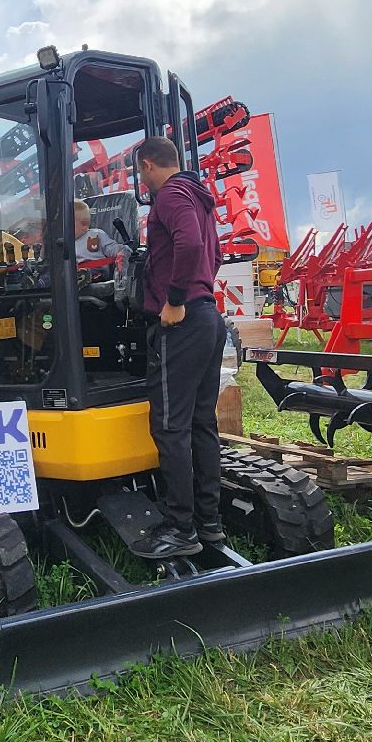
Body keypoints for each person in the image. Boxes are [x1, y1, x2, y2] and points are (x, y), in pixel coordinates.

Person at [127, 135, 225, 560]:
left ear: (148, 165)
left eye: (139, 172)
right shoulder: (200, 198)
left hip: (183, 324)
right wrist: (197, 293)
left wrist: (174, 300)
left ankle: (180, 526)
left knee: (170, 427)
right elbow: (213, 255)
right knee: (202, 424)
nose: (140, 180)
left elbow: (189, 245)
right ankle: (210, 524)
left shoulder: (169, 196)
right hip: (209, 319)